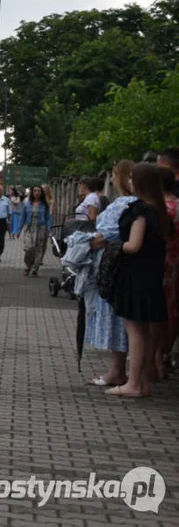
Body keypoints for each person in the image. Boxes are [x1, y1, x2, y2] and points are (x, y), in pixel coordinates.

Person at [104, 162, 170, 398]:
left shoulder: (141, 211)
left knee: (135, 331)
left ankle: (133, 383)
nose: (129, 180)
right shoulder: (158, 209)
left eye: (132, 177)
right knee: (144, 331)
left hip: (136, 276)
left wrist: (115, 246)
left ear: (141, 182)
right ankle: (141, 381)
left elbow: (134, 245)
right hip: (151, 276)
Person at [85, 160, 137, 388]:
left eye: (115, 175)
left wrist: (90, 243)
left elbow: (108, 233)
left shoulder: (128, 203)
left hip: (116, 267)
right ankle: (126, 371)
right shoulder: (131, 203)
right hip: (117, 265)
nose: (113, 180)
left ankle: (119, 372)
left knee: (119, 321)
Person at [156, 167, 178, 378]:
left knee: (156, 315)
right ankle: (164, 355)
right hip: (175, 264)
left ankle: (155, 361)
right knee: (173, 313)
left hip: (159, 265)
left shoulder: (159, 209)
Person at [15, 186, 51, 277]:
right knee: (29, 248)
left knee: (39, 249)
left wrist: (49, 229)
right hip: (29, 228)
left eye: (39, 191)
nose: (37, 192)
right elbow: (22, 218)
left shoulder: (45, 204)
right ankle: (28, 266)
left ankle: (35, 269)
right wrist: (18, 230)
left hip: (41, 228)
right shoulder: (27, 204)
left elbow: (48, 218)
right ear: (32, 192)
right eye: (35, 191)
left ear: (41, 193)